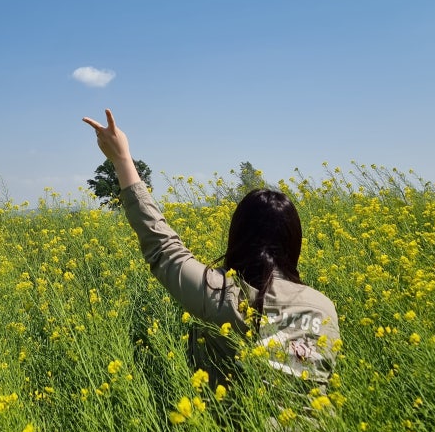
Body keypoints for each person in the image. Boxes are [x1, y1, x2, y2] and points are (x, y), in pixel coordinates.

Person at [82, 110, 340, 393]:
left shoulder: (224, 297)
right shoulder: (324, 308)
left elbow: (164, 248)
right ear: (294, 242)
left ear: (238, 235)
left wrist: (122, 159)